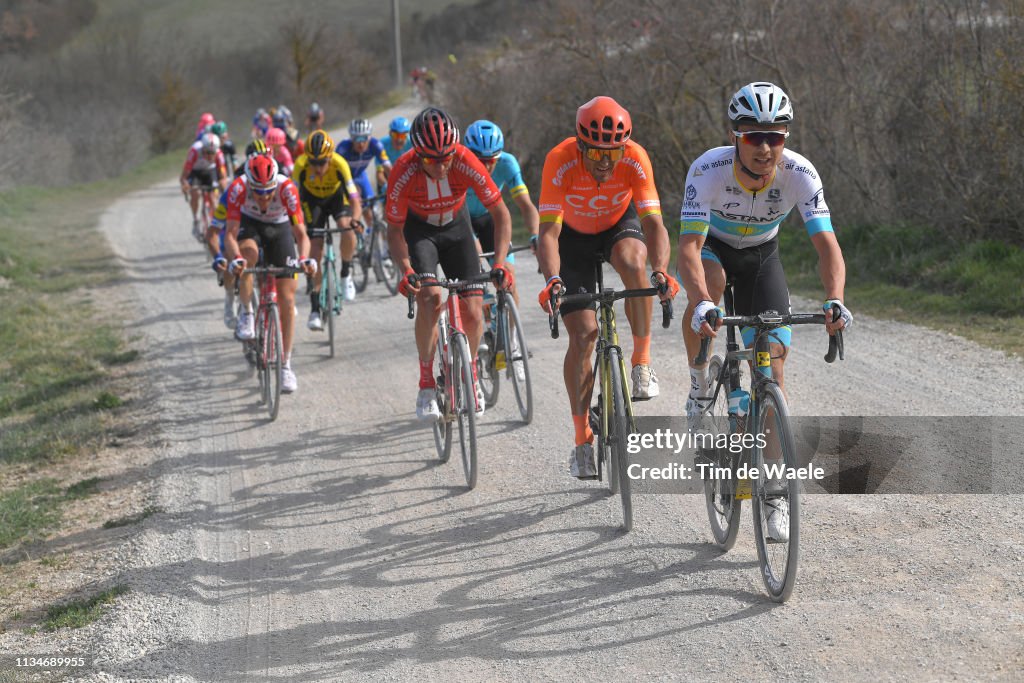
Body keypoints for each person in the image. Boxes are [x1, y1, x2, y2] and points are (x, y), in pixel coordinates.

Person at [677, 82, 852, 541]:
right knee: (710, 289)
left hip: (761, 257)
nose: (765, 146)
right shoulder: (708, 170)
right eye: (754, 136)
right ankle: (699, 384)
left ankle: (774, 490)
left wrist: (834, 297)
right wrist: (700, 304)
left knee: (772, 367)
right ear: (736, 135)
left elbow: (826, 244)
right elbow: (689, 248)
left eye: (775, 136)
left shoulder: (800, 173)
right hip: (713, 251)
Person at [535, 96, 678, 479]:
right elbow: (547, 232)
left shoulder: (635, 157)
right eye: (596, 152)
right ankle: (582, 439)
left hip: (618, 225)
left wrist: (661, 270)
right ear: (581, 145)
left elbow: (654, 224)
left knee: (635, 262)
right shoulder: (560, 159)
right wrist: (552, 279)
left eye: (612, 154)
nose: (604, 161)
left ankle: (641, 362)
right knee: (583, 336)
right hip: (573, 240)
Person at [386, 107, 514, 420]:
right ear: (418, 155)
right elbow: (393, 232)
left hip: (458, 230)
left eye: (447, 157)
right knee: (429, 297)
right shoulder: (403, 170)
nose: (442, 166)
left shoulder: (465, 160)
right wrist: (406, 271)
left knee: (472, 310)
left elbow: (501, 214)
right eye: (432, 160)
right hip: (421, 234)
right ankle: (427, 383)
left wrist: (500, 263)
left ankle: (470, 375)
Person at [221, 154, 317, 394]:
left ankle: (285, 365)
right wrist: (237, 260)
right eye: (258, 192)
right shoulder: (238, 188)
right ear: (249, 184)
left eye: (268, 191)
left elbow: (301, 235)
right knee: (247, 255)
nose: (264, 197)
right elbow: (230, 235)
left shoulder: (286, 188)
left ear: (275, 183)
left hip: (280, 227)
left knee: (287, 299)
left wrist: (304, 259)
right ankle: (247, 312)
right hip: (250, 224)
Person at [462, 119, 540, 380]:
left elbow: (526, 205)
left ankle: (514, 344)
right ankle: (481, 307)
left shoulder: (507, 164)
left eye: (491, 160)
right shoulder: (459, 165)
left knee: (507, 277)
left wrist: (535, 235)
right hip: (462, 221)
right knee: (474, 268)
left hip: (490, 219)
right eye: (480, 160)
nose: (486, 166)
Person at [291, 130, 363, 331]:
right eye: (313, 162)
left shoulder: (340, 164)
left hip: (336, 198)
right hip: (312, 201)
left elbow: (355, 199)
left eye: (322, 162)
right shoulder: (300, 166)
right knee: (314, 250)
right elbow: (293, 201)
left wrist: (356, 220)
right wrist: (298, 226)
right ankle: (315, 309)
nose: (318, 167)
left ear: (330, 157)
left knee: (346, 228)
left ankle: (346, 273)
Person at [338, 118, 392, 298]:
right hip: (346, 181)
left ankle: (374, 243)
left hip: (361, 178)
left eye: (364, 139)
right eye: (357, 139)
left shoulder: (375, 145)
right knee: (355, 211)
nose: (361, 144)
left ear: (369, 137)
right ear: (351, 138)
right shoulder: (343, 148)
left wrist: (393, 184)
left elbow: (387, 166)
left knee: (372, 214)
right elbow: (335, 172)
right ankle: (358, 243)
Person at [180, 132, 228, 237]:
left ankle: (217, 225)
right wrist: (185, 184)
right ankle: (196, 219)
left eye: (212, 153)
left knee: (213, 199)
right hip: (195, 172)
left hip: (210, 172)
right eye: (207, 153)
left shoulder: (219, 154)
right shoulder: (194, 151)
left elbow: (222, 175)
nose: (210, 156)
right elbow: (185, 174)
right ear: (202, 149)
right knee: (195, 193)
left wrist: (223, 188)